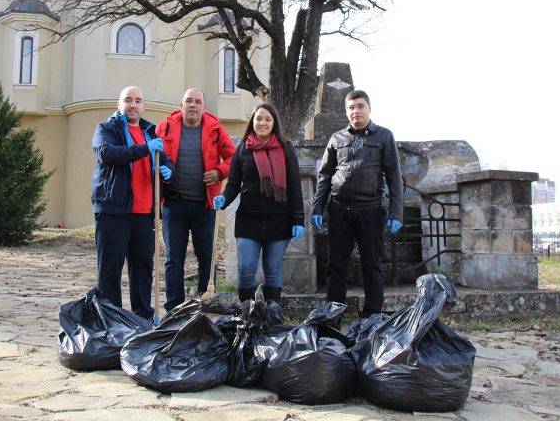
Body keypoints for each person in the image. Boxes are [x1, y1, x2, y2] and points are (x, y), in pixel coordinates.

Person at [310, 89, 403, 317]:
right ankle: (333, 316)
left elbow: (394, 176)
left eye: (360, 106)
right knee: (336, 267)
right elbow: (325, 175)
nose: (356, 111)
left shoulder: (384, 136)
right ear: (346, 111)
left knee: (372, 265)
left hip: (370, 210)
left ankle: (372, 317)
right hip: (340, 210)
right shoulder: (336, 138)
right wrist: (317, 207)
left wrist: (396, 213)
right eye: (351, 107)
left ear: (369, 108)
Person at [91, 86, 174, 320]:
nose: (133, 105)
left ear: (143, 106)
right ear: (119, 105)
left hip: (143, 214)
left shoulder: (150, 133)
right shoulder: (107, 129)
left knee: (142, 270)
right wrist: (144, 150)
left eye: (138, 101)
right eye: (128, 100)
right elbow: (107, 154)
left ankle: (142, 317)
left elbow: (166, 161)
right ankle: (111, 318)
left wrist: (168, 169)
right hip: (113, 211)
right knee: (110, 271)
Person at [213, 103, 305, 303]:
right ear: (252, 121)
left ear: (274, 123)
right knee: (246, 268)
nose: (262, 123)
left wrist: (298, 218)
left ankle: (271, 313)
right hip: (249, 219)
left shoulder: (286, 147)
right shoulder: (242, 149)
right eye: (259, 119)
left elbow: (295, 186)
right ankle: (247, 314)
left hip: (279, 219)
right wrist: (224, 198)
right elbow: (234, 183)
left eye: (267, 119)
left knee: (272, 269)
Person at [156, 88, 235, 311]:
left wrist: (220, 172)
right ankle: (174, 308)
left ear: (204, 107)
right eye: (188, 101)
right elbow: (156, 156)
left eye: (197, 101)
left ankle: (205, 304)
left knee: (206, 257)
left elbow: (233, 157)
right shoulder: (166, 127)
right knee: (174, 259)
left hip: (205, 204)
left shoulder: (216, 129)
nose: (193, 105)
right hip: (173, 203)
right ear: (181, 105)